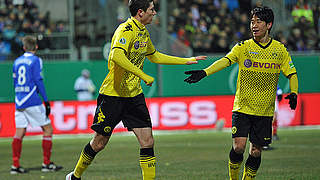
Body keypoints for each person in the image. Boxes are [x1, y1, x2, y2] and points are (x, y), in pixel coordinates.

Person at [66, 0, 206, 180]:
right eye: (152, 9)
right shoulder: (125, 30)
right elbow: (116, 55)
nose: (155, 13)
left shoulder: (143, 33)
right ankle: (75, 176)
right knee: (99, 143)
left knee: (147, 141)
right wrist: (142, 74)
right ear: (140, 12)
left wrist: (185, 60)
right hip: (113, 95)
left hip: (134, 96)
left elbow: (154, 56)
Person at [184, 6, 298, 179]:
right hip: (242, 107)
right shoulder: (243, 47)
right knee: (238, 147)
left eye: (258, 22)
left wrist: (294, 92)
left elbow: (292, 73)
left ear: (269, 25)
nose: (254, 25)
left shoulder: (280, 50)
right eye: (252, 22)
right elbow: (225, 61)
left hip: (264, 110)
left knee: (256, 152)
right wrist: (204, 72)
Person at [11, 35, 62, 174]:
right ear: (37, 47)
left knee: (19, 132)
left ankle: (15, 165)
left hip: (19, 100)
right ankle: (46, 163)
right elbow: (38, 81)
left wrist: (18, 97)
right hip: (32, 100)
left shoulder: (16, 62)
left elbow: (15, 82)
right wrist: (45, 100)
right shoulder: (36, 60)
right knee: (48, 130)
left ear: (24, 47)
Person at [262, 85, 282, 150]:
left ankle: (265, 142)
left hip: (264, 102)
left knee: (266, 121)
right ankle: (265, 143)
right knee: (269, 121)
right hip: (271, 101)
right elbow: (279, 93)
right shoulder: (274, 83)